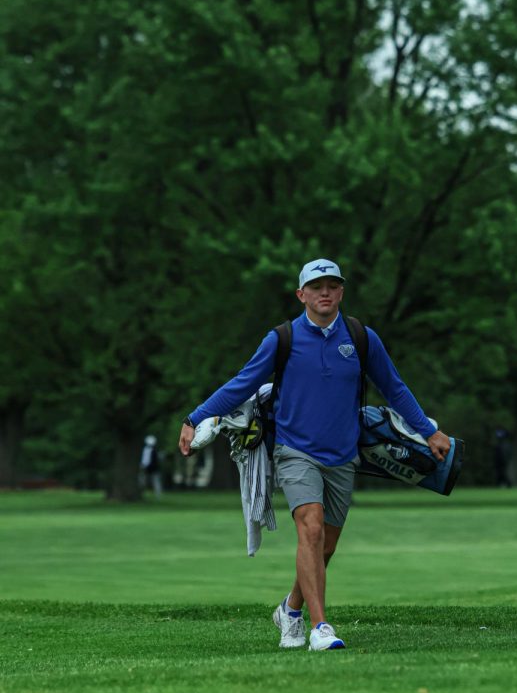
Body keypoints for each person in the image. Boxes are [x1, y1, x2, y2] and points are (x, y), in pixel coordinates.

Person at [178, 258, 450, 652]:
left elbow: (395, 388)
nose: (325, 292)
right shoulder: (282, 339)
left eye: (333, 285)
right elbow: (242, 383)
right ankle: (321, 628)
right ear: (301, 294)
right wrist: (196, 417)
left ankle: (289, 610)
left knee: (325, 546)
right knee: (311, 528)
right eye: (317, 286)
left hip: (343, 455)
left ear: (341, 291)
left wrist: (430, 431)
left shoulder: (360, 338)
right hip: (294, 451)